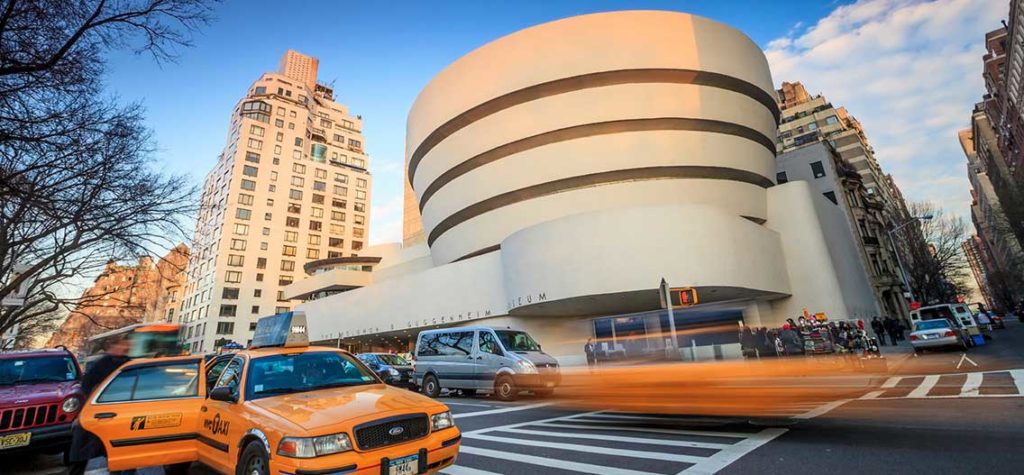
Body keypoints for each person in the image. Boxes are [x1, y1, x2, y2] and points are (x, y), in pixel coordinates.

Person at [68, 336, 133, 475]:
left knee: (120, 452)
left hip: (120, 411)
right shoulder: (101, 364)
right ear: (113, 346)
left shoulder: (127, 363)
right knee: (83, 452)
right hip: (100, 411)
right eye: (124, 344)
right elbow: (86, 386)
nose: (127, 347)